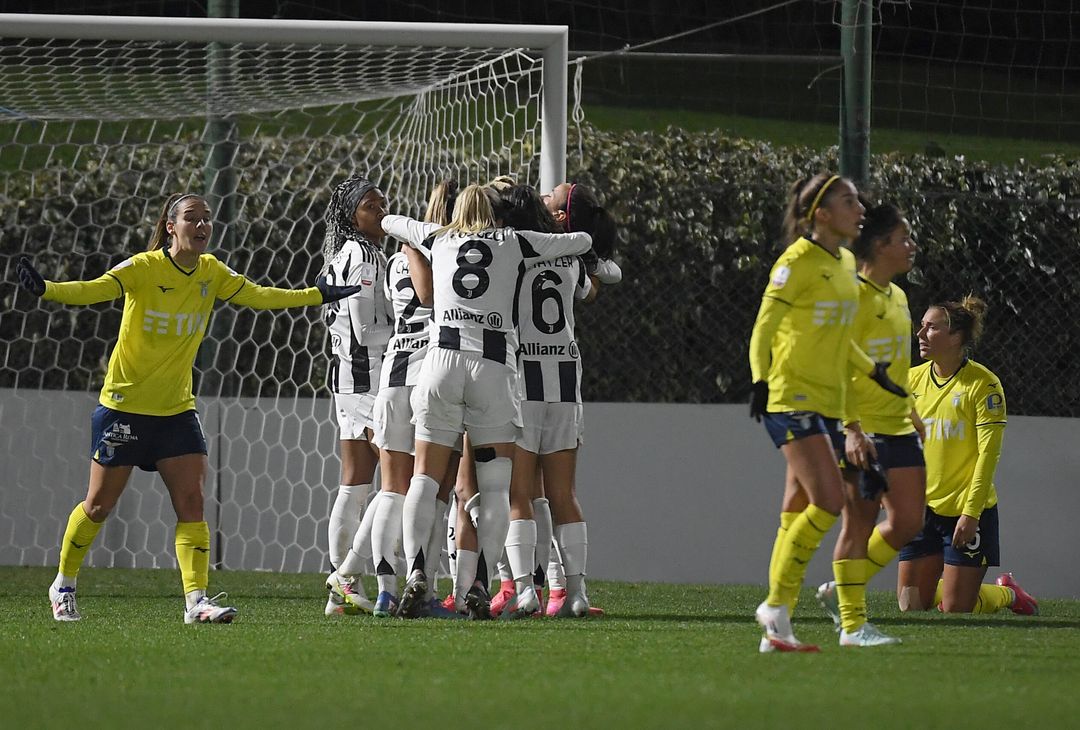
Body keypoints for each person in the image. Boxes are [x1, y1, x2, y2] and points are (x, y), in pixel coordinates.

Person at [16, 192, 361, 623]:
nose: (202, 227)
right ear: (170, 227)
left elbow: (260, 296)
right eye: (192, 219)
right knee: (99, 505)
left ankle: (196, 601)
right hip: (124, 407)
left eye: (207, 220)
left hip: (177, 409)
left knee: (193, 501)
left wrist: (317, 295)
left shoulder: (211, 271)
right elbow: (95, 289)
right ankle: (63, 584)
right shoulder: (144, 268)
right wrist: (47, 289)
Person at [380, 183, 593, 620]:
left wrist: (417, 231)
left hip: (440, 363)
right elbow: (581, 241)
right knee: (496, 488)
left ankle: (417, 570)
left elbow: (390, 222)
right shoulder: (514, 240)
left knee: (424, 476)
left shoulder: (438, 237)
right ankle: (481, 581)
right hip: (493, 369)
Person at [747, 173, 907, 653]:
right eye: (847, 201)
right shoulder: (795, 262)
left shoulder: (842, 264)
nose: (859, 208)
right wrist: (760, 380)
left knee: (799, 508)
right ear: (820, 214)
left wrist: (873, 371)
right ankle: (775, 605)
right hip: (790, 397)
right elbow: (763, 326)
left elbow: (842, 338)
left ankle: (778, 624)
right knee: (830, 501)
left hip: (824, 403)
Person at [814, 203, 924, 647]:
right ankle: (853, 625)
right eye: (903, 239)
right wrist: (851, 428)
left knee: (908, 522)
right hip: (862, 431)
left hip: (898, 426)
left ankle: (840, 590)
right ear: (880, 246)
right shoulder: (852, 296)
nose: (911, 246)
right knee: (857, 526)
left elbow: (896, 364)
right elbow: (836, 362)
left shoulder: (898, 296)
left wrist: (912, 408)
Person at [896, 296, 1037, 615]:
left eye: (931, 327)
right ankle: (966, 586)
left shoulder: (983, 385)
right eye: (921, 326)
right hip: (923, 510)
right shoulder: (911, 380)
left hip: (967, 511)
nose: (920, 334)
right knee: (910, 604)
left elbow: (989, 454)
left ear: (956, 337)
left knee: (955, 610)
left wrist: (971, 514)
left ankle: (1007, 595)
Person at [318, 177, 396, 617]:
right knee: (396, 476)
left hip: (346, 375)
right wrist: (412, 330)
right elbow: (366, 330)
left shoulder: (340, 256)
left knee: (355, 482)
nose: (381, 211)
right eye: (371, 205)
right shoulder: (365, 256)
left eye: (383, 202)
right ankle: (350, 574)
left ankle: (339, 592)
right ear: (352, 216)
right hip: (368, 376)